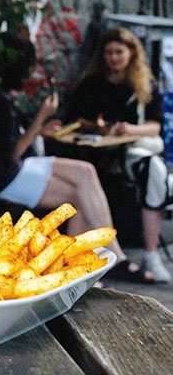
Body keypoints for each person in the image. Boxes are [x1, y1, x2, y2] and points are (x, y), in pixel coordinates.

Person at [0, 33, 129, 270]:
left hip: (18, 166)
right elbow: (11, 153)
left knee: (86, 172)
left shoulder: (1, 96)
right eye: (31, 66)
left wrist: (40, 130)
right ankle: (100, 259)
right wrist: (41, 117)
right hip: (6, 176)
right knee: (80, 194)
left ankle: (95, 257)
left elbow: (12, 140)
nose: (33, 73)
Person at [66, 27, 172, 283]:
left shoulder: (144, 85)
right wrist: (96, 127)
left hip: (130, 151)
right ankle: (86, 258)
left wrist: (129, 129)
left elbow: (155, 126)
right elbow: (77, 118)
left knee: (154, 172)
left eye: (119, 52)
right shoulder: (93, 84)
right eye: (109, 52)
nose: (113, 57)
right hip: (99, 153)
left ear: (131, 53)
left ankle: (150, 253)